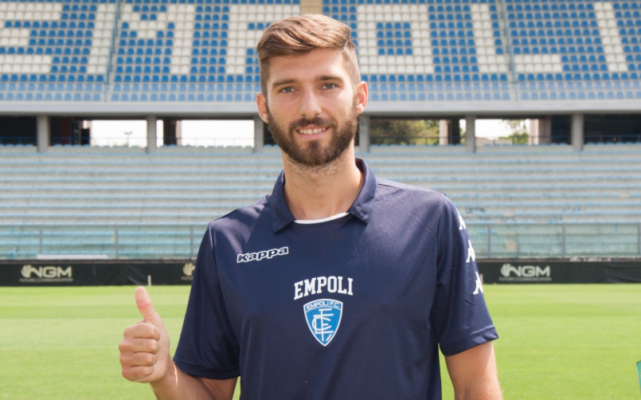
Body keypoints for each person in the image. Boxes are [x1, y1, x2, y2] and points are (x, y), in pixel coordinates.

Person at [119, 14, 502, 400]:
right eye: (287, 88)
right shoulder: (227, 242)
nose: (310, 107)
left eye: (328, 85)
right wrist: (165, 376)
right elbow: (209, 393)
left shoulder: (430, 221)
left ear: (360, 97)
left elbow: (476, 386)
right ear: (264, 107)